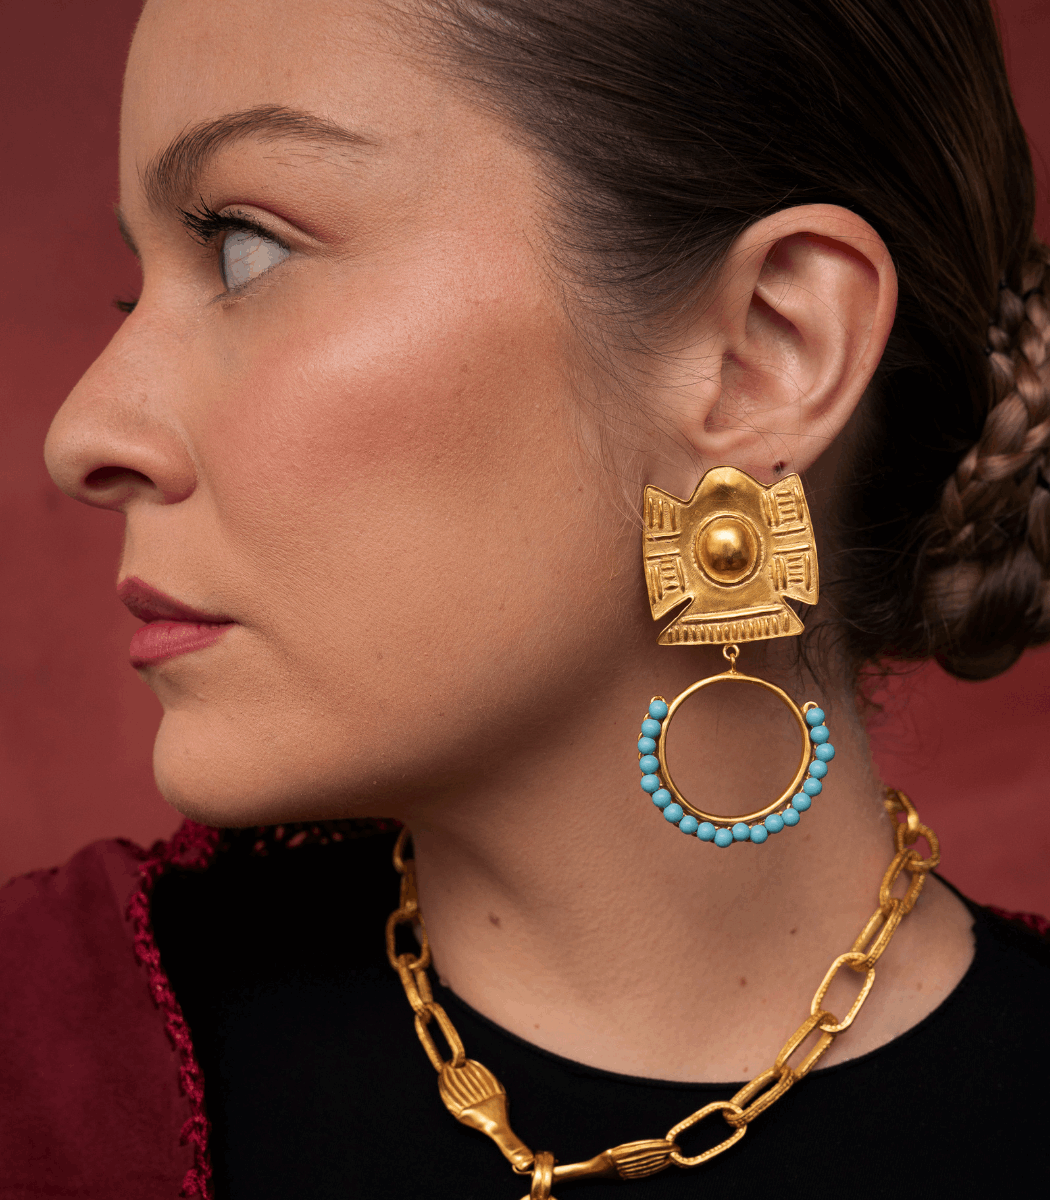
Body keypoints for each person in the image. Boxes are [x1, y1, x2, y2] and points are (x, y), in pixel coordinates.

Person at [2, 0, 1048, 1196]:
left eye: (246, 250)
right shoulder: (46, 1068)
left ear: (767, 350)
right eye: (137, 291)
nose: (85, 435)